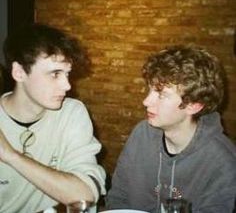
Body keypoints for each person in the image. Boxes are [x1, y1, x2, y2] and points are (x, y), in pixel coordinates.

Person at [106, 45, 236, 213]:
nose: (146, 101)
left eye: (162, 95)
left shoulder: (222, 159)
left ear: (193, 106)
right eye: (150, 90)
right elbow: (118, 197)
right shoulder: (142, 134)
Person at [0, 23, 106, 213]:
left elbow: (84, 196)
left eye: (67, 74)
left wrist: (11, 156)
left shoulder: (71, 113)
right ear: (19, 72)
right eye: (55, 74)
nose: (67, 86)